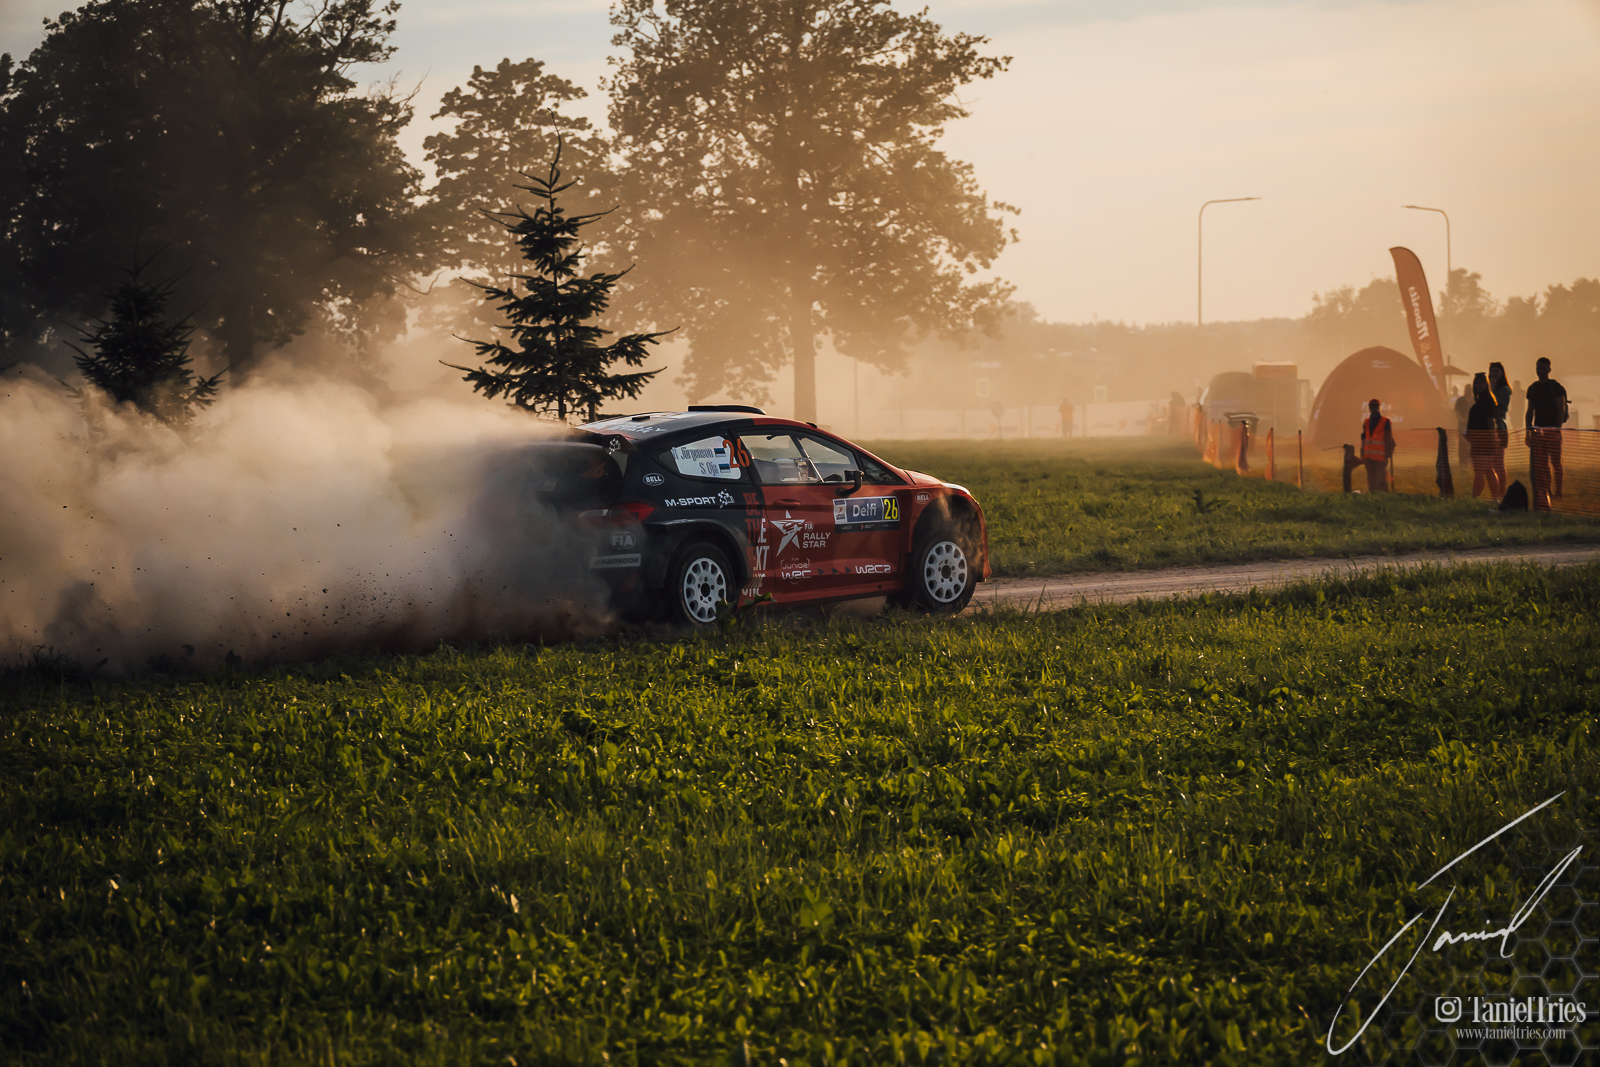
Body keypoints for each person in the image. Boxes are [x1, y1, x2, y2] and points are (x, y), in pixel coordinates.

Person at [1525, 357, 1569, 511]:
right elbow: (1530, 411)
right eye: (1538, 368)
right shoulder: (1532, 388)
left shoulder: (1556, 387)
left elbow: (1561, 409)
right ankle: (1547, 490)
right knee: (1542, 464)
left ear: (1549, 369)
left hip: (1552, 431)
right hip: (1538, 431)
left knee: (1555, 462)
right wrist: (1528, 431)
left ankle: (1559, 491)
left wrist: (1556, 429)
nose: (1541, 371)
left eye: (1543, 368)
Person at [1466, 372, 1502, 499]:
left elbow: (1491, 421)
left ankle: (1474, 498)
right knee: (1488, 470)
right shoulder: (1483, 401)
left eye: (1482, 382)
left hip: (1483, 440)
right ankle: (1494, 498)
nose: (1479, 385)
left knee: (1480, 471)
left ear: (1486, 384)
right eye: (1477, 383)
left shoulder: (1487, 401)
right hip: (1479, 440)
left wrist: (1493, 439)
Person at [1359, 398, 1395, 492]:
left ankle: (1385, 496)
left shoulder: (1385, 421)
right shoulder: (1366, 422)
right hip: (1369, 458)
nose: (1373, 408)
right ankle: (1375, 497)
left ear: (1379, 407)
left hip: (1380, 458)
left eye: (1375, 406)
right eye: (1372, 406)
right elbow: (1364, 440)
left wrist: (1387, 454)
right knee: (1372, 481)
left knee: (1379, 480)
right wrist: (1363, 454)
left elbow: (1389, 440)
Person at [1488, 361, 1512, 493]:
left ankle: (1501, 492)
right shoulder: (1486, 389)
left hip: (1498, 427)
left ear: (1502, 373)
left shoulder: (1504, 390)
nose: (1494, 374)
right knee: (1489, 464)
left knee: (1498, 463)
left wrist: (1491, 389)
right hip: (1487, 428)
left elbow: (1496, 408)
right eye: (1492, 371)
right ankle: (1495, 491)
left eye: (1497, 371)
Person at [1453, 383, 1473, 467]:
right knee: (1462, 443)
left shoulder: (1475, 400)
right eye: (1467, 390)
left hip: (1473, 426)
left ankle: (1471, 459)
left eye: (1470, 390)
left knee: (1472, 443)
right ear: (1465, 391)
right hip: (1462, 426)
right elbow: (1457, 412)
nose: (1468, 391)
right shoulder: (1460, 400)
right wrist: (1461, 419)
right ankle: (1462, 461)